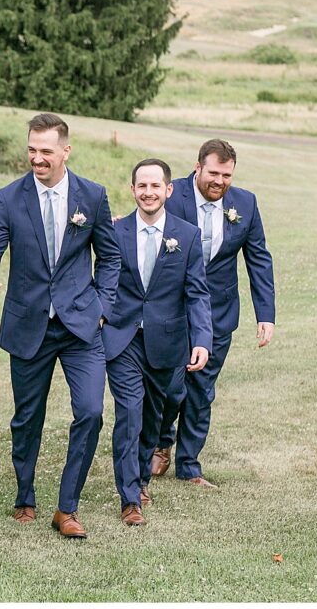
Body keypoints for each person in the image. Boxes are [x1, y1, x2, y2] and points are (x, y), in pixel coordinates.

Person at [0, 113, 120, 539]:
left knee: (92, 412)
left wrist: (101, 307)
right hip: (29, 324)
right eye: (32, 150)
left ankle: (67, 507)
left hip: (81, 325)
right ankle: (24, 493)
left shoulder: (92, 196)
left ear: (65, 151)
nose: (37, 159)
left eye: (45, 151)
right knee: (27, 418)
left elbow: (110, 258)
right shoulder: (7, 197)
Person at [150, 139, 276, 488]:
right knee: (170, 386)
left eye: (226, 174)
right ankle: (161, 442)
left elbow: (259, 258)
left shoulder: (245, 204)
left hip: (218, 311)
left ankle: (189, 465)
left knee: (202, 389)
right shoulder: (171, 197)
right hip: (172, 310)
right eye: (213, 173)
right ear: (198, 168)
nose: (219, 181)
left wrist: (265, 314)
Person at [102, 159, 211, 526]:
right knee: (130, 412)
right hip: (122, 338)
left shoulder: (188, 234)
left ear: (168, 190)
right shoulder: (114, 232)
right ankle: (129, 498)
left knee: (153, 417)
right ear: (132, 190)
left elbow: (197, 293)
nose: (148, 192)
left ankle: (143, 478)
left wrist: (202, 339)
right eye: (141, 186)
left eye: (155, 186)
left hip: (167, 341)